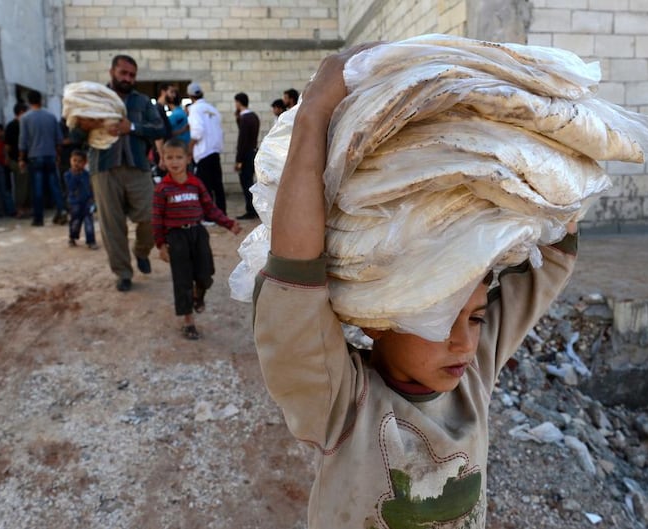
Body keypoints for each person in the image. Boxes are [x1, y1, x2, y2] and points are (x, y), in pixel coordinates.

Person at [252, 46, 579, 528]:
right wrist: (317, 109)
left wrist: (528, 130)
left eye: (475, 317)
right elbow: (295, 279)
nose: (465, 341)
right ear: (378, 317)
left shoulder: (472, 375)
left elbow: (553, 243)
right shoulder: (341, 405)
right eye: (441, 317)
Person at [70, 54, 167, 292]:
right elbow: (73, 136)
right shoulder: (94, 99)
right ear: (112, 72)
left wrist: (131, 127)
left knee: (150, 218)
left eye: (132, 75)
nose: (128, 78)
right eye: (123, 73)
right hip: (104, 169)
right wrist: (86, 126)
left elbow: (160, 128)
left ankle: (141, 251)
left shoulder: (143, 102)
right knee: (112, 227)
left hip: (138, 168)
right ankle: (123, 273)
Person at [152, 139, 241, 340]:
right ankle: (188, 321)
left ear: (188, 159)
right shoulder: (162, 189)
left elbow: (210, 208)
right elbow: (157, 218)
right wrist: (161, 245)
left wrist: (228, 223)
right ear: (163, 160)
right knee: (182, 279)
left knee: (205, 273)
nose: (174, 162)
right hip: (176, 238)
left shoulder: (195, 183)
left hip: (198, 234)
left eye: (179, 157)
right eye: (169, 158)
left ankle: (198, 294)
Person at [18, 90, 66, 227]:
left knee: (37, 188)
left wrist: (22, 159)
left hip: (34, 156)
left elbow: (23, 141)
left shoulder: (25, 118)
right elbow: (59, 139)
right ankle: (61, 211)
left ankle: (38, 218)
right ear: (41, 100)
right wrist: (57, 155)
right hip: (50, 154)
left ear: (28, 101)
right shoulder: (51, 117)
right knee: (54, 186)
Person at [186, 82, 226, 215]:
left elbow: (197, 131)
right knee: (217, 185)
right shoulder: (212, 109)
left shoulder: (195, 109)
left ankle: (209, 217)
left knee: (205, 187)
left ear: (190, 96)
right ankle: (221, 213)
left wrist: (189, 149)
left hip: (203, 153)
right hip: (215, 151)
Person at [233, 92, 260, 220]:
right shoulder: (253, 116)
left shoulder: (245, 118)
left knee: (246, 182)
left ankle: (250, 209)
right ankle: (253, 208)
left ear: (238, 102)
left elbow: (242, 141)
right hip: (253, 151)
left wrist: (239, 160)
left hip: (246, 154)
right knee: (249, 181)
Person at [63, 150, 98, 250]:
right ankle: (72, 238)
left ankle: (91, 241)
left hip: (87, 202)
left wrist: (93, 200)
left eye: (80, 161)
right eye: (74, 161)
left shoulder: (87, 174)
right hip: (74, 204)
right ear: (70, 161)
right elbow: (70, 187)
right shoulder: (68, 175)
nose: (77, 164)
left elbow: (90, 187)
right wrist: (75, 175)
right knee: (75, 223)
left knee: (89, 223)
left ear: (85, 163)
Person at [5, 102, 30, 219]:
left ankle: (24, 208)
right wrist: (9, 160)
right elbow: (8, 146)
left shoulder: (24, 125)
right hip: (17, 160)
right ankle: (20, 209)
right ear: (20, 112)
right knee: (21, 186)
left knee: (25, 185)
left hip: (24, 160)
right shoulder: (12, 126)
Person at [152, 82, 176, 179]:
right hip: (162, 154)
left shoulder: (161, 109)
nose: (173, 95)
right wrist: (162, 157)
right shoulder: (157, 110)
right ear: (163, 92)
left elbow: (166, 133)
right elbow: (158, 136)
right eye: (171, 92)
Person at [0, 124, 16, 217]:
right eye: (0, 131)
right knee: (6, 190)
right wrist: (6, 163)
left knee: (7, 189)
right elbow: (0, 158)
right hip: (2, 169)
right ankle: (11, 210)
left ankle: (10, 209)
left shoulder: (2, 143)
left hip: (4, 168)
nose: (2, 133)